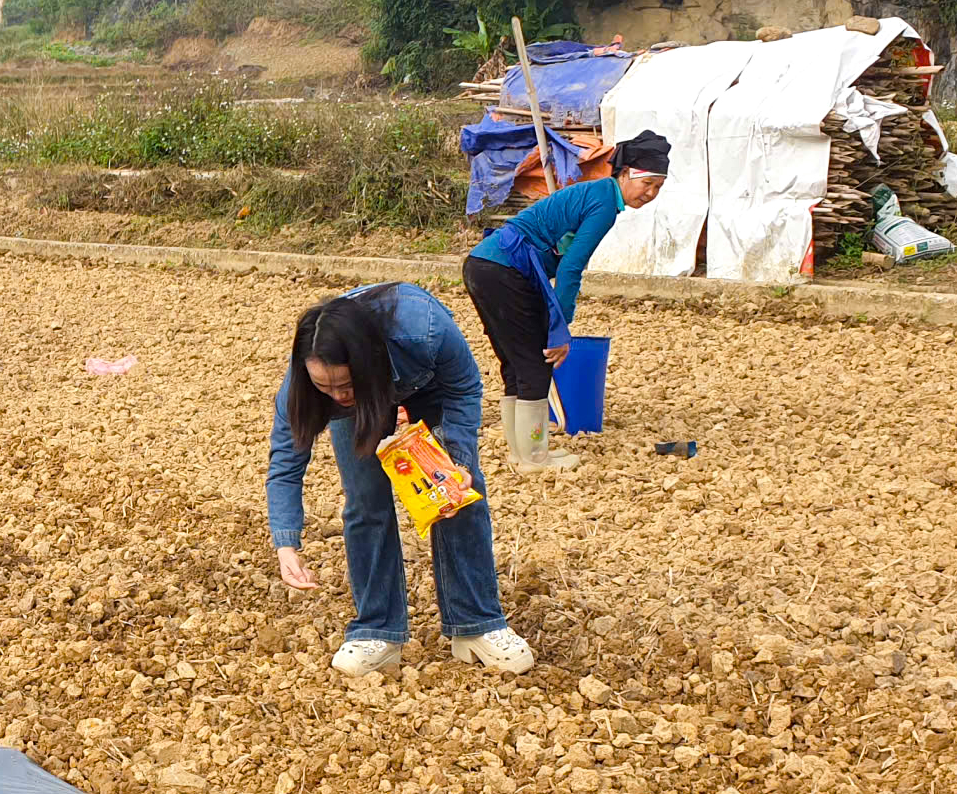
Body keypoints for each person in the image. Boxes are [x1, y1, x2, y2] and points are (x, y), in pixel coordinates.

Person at [266, 282, 536, 677]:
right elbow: (286, 465)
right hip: (369, 402)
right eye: (325, 386)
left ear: (367, 361)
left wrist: (458, 460)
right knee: (365, 501)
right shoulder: (304, 386)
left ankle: (478, 623)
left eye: (345, 384)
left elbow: (465, 387)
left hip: (426, 384)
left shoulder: (424, 329)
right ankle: (377, 630)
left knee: (457, 489)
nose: (338, 395)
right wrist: (286, 544)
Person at [461, 129, 672, 472]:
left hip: (483, 264)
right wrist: (560, 329)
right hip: (503, 268)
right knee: (534, 363)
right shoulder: (604, 204)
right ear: (625, 173)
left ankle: (523, 454)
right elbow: (573, 266)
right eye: (646, 182)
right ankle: (534, 458)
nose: (649, 193)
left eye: (657, 188)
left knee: (516, 363)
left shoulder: (598, 194)